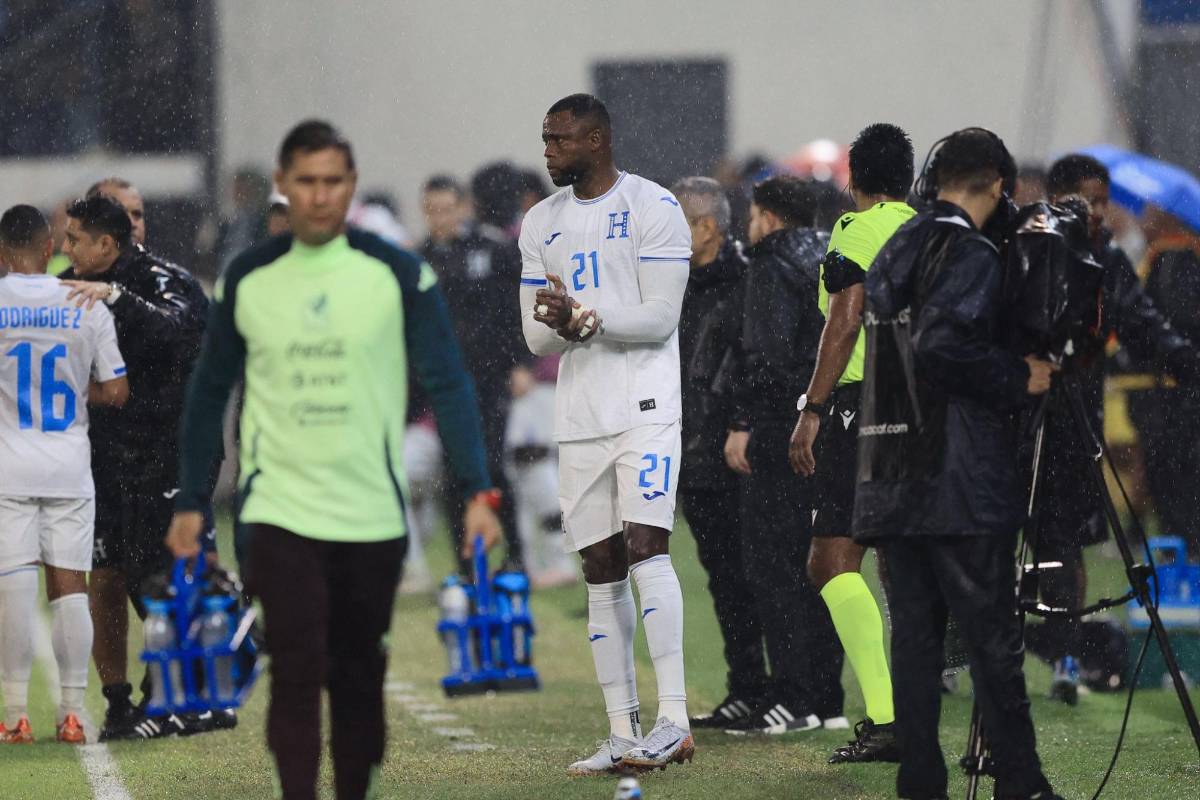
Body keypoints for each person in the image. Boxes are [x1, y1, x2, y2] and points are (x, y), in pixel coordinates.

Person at [165, 119, 502, 800]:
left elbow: (449, 381)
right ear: (283, 186)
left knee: (357, 675)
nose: (320, 196)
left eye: (333, 182)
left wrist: (477, 491)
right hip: (278, 510)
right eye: (307, 182)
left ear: (351, 186)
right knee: (295, 669)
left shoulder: (398, 273)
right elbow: (208, 393)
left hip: (369, 512)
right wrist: (193, 501)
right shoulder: (248, 277)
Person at [855, 127, 1061, 800]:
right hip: (957, 475)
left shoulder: (897, 245)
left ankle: (921, 783)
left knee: (916, 646)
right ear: (998, 185)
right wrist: (1017, 376)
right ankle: (1022, 784)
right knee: (992, 641)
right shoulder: (967, 251)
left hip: (894, 468)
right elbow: (941, 345)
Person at [519, 93, 694, 774]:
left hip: (646, 405)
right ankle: (623, 730)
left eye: (559, 140)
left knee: (647, 547)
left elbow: (660, 317)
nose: (548, 151)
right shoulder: (541, 221)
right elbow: (536, 336)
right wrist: (563, 323)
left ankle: (674, 720)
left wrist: (586, 319)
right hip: (580, 415)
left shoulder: (654, 206)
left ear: (596, 140)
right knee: (599, 566)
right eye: (545, 139)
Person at [1035, 154, 1200, 703]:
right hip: (1014, 419)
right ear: (1057, 198)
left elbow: (1142, 323)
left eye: (1105, 201)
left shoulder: (1105, 257)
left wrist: (1187, 363)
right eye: (1090, 200)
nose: (1100, 211)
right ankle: (961, 656)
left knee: (1067, 542)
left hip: (1075, 424)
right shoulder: (1025, 249)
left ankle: (1065, 656)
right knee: (985, 544)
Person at [58, 194, 213, 740]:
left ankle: (181, 691)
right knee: (104, 579)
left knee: (160, 579)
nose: (66, 248)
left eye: (74, 239)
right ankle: (119, 700)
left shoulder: (165, 280)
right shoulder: (67, 284)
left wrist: (117, 297)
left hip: (163, 454)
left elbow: (177, 331)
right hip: (99, 457)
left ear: (106, 243)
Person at [787, 123, 916, 762]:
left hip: (863, 406)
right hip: (924, 403)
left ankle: (890, 720)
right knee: (901, 559)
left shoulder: (854, 230)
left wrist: (812, 408)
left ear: (854, 178)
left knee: (832, 560)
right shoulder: (927, 230)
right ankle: (920, 702)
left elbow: (844, 320)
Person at [0, 205, 128, 745]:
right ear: (49, 245)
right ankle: (72, 713)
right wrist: (77, 393)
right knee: (71, 586)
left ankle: (14, 716)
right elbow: (117, 391)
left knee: (13, 583)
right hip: (69, 465)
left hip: (9, 465)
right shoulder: (84, 301)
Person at [720, 175, 844, 734]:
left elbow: (765, 354)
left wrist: (745, 421)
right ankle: (827, 697)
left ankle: (793, 696)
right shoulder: (831, 255)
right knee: (821, 564)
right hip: (830, 422)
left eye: (753, 216)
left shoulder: (770, 264)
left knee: (773, 566)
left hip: (782, 430)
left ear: (768, 218)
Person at [669, 176, 766, 729]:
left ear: (706, 227)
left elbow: (755, 364)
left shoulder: (747, 282)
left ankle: (790, 690)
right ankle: (747, 687)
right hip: (694, 452)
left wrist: (739, 424)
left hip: (739, 450)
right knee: (724, 576)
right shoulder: (673, 282)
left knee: (760, 575)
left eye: (674, 222)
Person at [419, 174, 525, 573]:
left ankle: (516, 555)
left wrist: (520, 364)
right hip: (447, 386)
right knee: (453, 472)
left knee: (493, 464)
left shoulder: (492, 250)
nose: (441, 218)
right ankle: (466, 565)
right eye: (433, 210)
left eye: (447, 209)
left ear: (463, 208)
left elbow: (514, 310)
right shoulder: (419, 262)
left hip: (490, 378)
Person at [1126, 202, 1200, 561]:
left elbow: (1173, 320)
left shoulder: (1175, 258)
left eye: (1151, 212)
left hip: (1175, 393)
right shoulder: (1171, 256)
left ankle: (1183, 550)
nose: (1143, 219)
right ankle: (1180, 547)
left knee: (1173, 474)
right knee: (1169, 474)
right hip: (1173, 389)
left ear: (1170, 216)